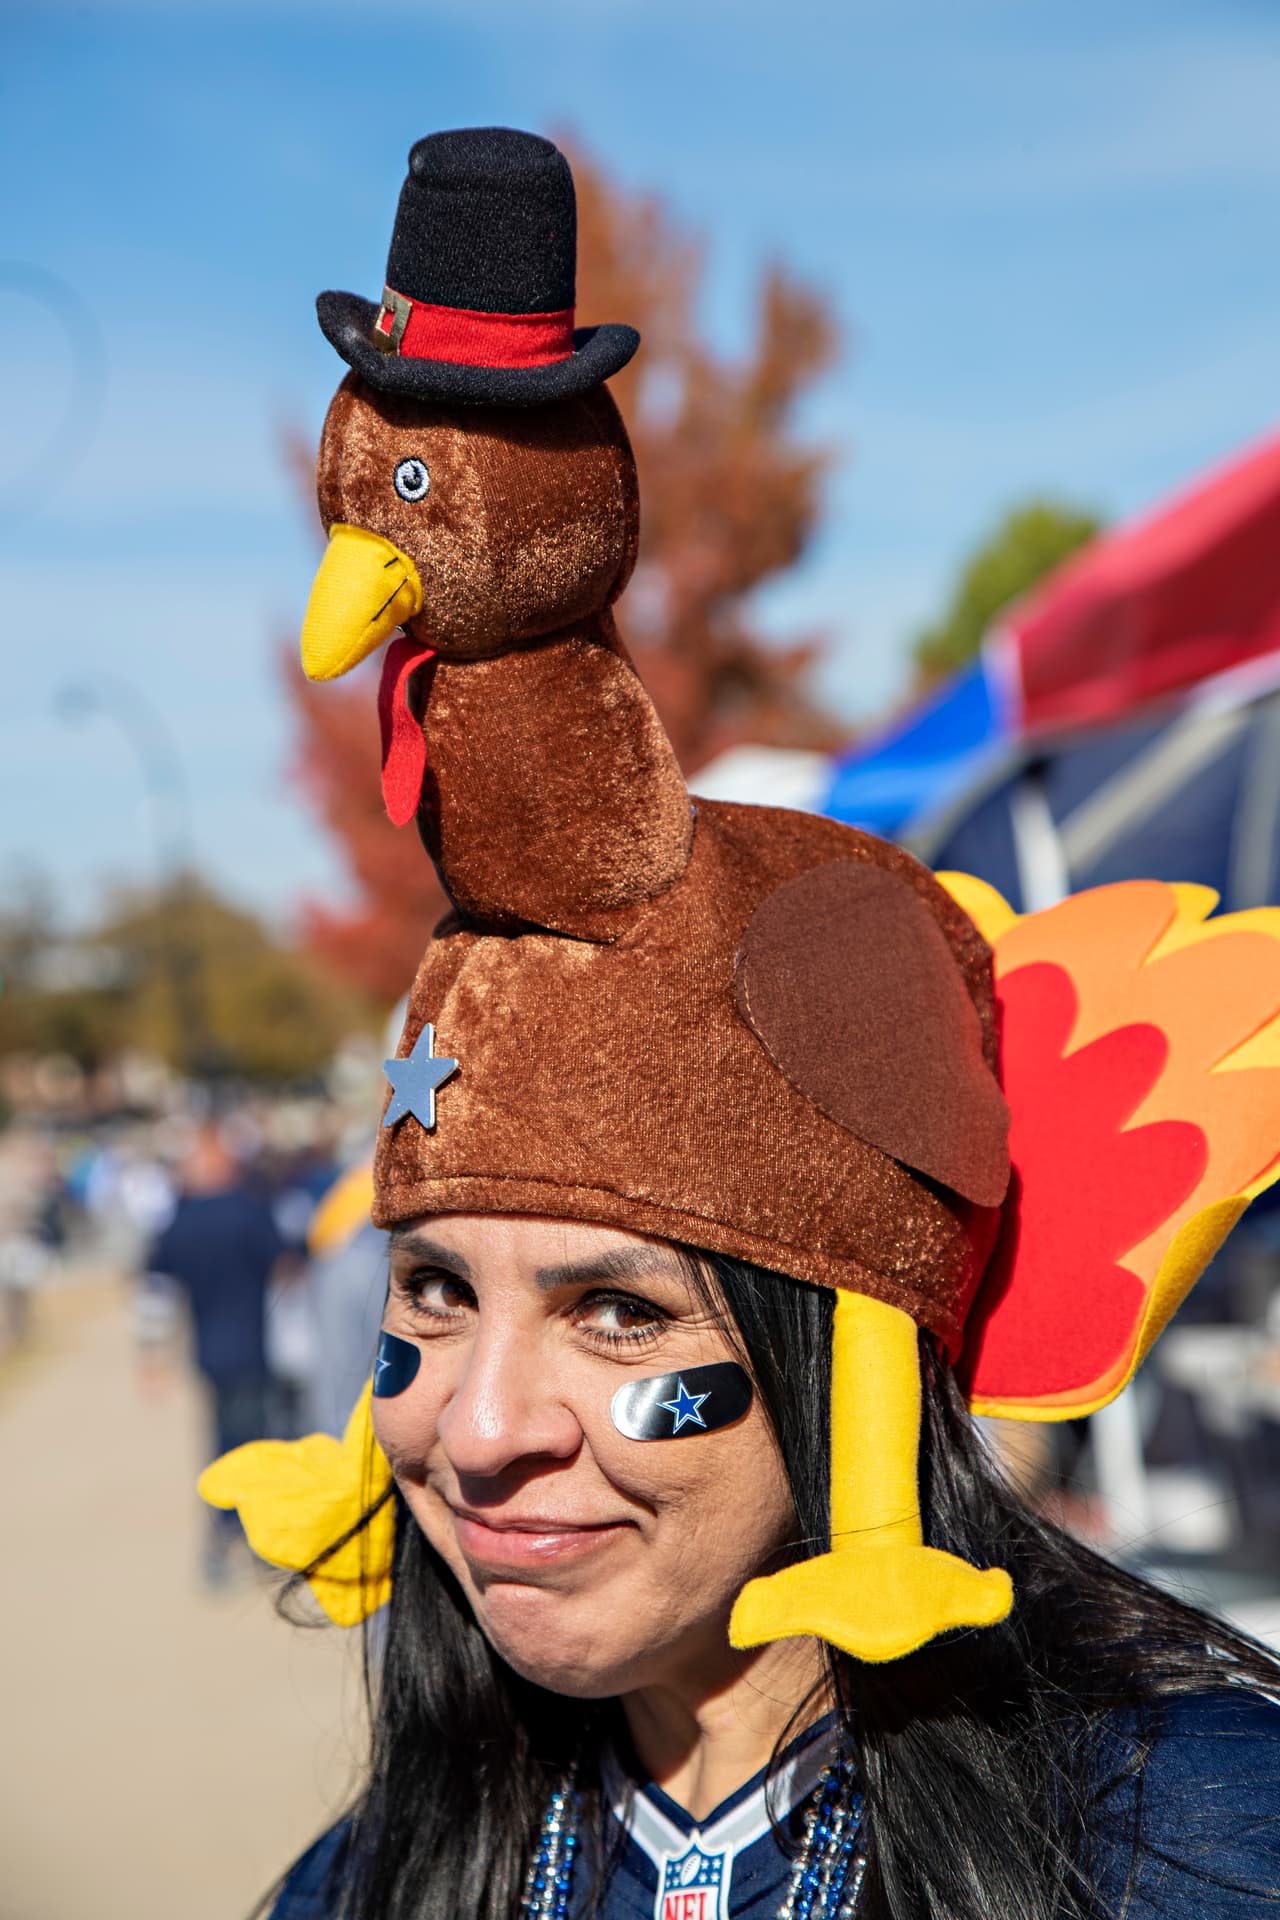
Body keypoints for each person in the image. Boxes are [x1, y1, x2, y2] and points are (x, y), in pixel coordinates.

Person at [203, 130, 1280, 1918]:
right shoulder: (370, 1876)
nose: (477, 1433)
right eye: (433, 1295)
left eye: (618, 1308)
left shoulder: (1199, 1844)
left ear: (832, 1330)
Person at [148, 1117, 286, 1582]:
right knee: (257, 1442)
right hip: (253, 1347)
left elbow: (157, 1290)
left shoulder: (178, 1220)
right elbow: (286, 1264)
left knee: (219, 1444)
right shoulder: (249, 1210)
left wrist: (152, 1358)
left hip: (208, 1352)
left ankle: (218, 1542)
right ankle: (256, 1540)